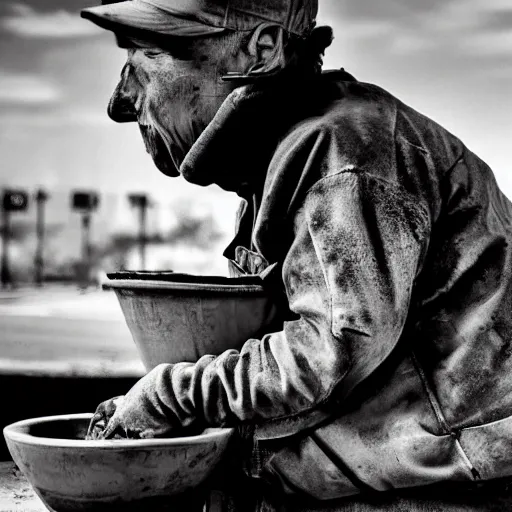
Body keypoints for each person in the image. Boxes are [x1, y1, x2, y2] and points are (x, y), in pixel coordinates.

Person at [82, 0, 512, 510]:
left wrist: (169, 396)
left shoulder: (343, 152)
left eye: (148, 54)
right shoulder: (289, 152)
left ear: (259, 50)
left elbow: (328, 353)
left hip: (448, 493)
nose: (122, 100)